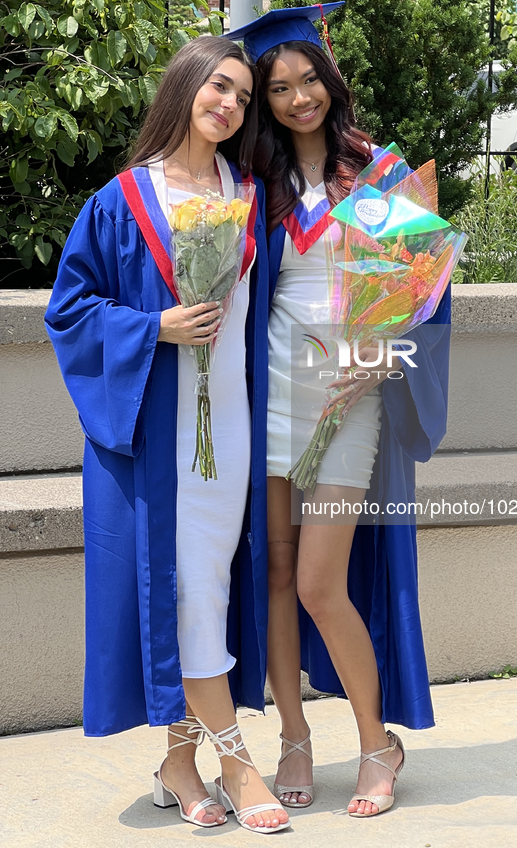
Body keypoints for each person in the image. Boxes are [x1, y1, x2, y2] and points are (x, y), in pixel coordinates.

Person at [45, 36, 289, 835]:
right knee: (186, 592)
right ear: (184, 86)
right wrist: (155, 326)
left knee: (210, 591)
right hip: (158, 437)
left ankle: (178, 764)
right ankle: (235, 762)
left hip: (232, 434)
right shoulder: (121, 199)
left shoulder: (250, 193)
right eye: (219, 86)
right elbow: (71, 313)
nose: (230, 104)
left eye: (244, 97)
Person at [226, 3, 452, 819]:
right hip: (273, 397)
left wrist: (379, 354)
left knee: (322, 583)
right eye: (278, 87)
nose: (296, 98)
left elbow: (421, 293)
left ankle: (375, 742)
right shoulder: (256, 184)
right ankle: (293, 735)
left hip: (348, 394)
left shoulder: (376, 172)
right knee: (277, 577)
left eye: (306, 80)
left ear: (330, 79)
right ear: (263, 99)